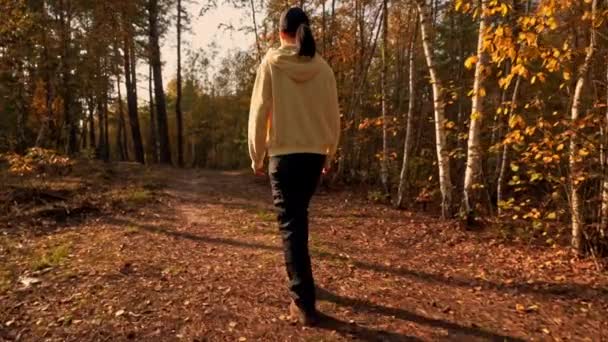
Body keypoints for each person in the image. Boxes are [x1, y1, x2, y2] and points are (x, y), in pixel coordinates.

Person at [247, 6, 341, 326]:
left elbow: (260, 112)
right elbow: (333, 116)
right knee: (298, 221)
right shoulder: (324, 68)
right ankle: (304, 282)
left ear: (280, 33)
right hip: (313, 157)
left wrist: (256, 154)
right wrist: (329, 153)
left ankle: (303, 302)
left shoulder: (272, 63)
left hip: (285, 157)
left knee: (292, 226)